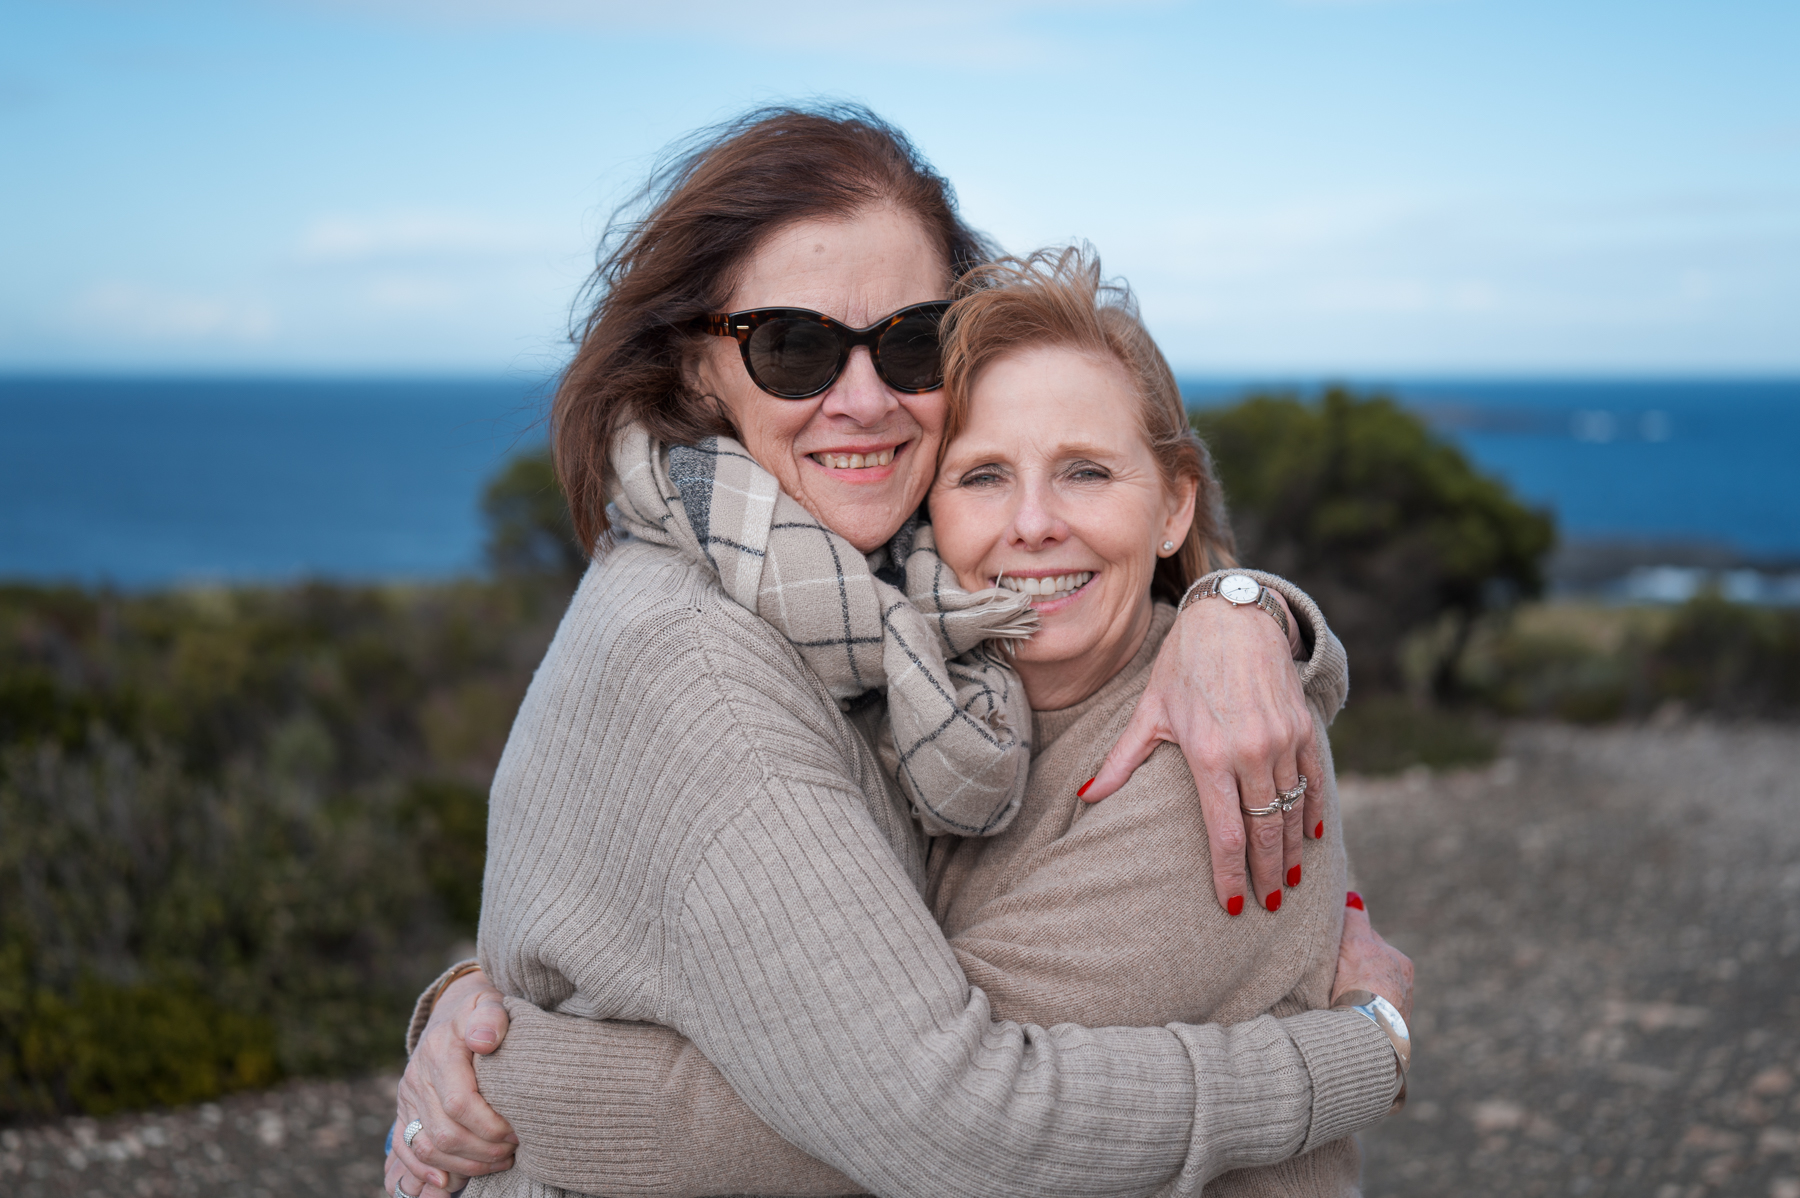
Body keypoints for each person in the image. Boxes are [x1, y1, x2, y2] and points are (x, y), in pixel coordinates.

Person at [386, 106, 1412, 1198]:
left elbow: (922, 1106)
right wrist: (1365, 1050)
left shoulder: (939, 657)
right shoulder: (722, 660)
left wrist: (1245, 606)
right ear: (695, 374)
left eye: (911, 341)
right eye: (795, 346)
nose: (865, 399)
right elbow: (923, 1112)